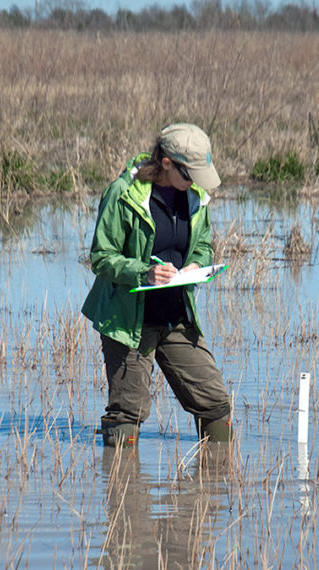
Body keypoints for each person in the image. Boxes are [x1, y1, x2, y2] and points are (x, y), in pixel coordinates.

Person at [82, 123, 232, 447]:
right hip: (129, 320)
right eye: (189, 174)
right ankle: (124, 490)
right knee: (127, 413)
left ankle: (217, 487)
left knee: (215, 402)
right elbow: (101, 257)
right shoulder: (123, 194)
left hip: (176, 315)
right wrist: (143, 273)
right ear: (166, 164)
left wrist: (197, 263)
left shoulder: (195, 198)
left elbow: (202, 244)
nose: (195, 183)